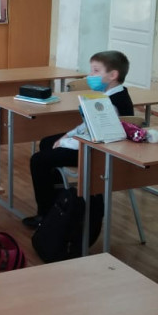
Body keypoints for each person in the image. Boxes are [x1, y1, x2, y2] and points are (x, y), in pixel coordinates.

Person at [22, 50, 134, 229]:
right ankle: (58, 201)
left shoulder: (110, 103)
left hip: (99, 152)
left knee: (38, 160)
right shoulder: (112, 95)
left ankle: (46, 214)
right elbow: (87, 125)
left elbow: (95, 136)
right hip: (95, 143)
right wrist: (67, 135)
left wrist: (65, 142)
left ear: (113, 75)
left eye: (96, 71)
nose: (90, 75)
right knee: (46, 142)